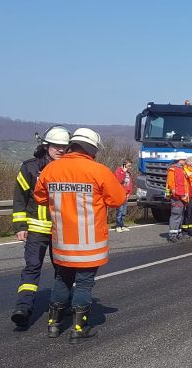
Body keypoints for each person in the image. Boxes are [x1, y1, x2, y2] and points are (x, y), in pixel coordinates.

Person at [34, 128, 126, 341]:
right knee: (84, 283)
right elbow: (118, 199)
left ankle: (53, 325)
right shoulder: (99, 170)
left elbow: (39, 197)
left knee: (62, 279)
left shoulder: (51, 169)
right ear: (92, 149)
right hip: (89, 241)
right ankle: (78, 328)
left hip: (62, 240)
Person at [10, 126, 70, 329]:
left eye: (64, 146)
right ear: (46, 146)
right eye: (56, 146)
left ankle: (62, 304)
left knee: (62, 270)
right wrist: (20, 225)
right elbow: (20, 199)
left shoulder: (70, 168)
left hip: (62, 230)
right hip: (36, 229)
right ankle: (23, 308)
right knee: (32, 267)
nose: (60, 150)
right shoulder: (30, 168)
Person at [165, 152, 189, 242]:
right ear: (180, 160)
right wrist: (180, 195)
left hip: (181, 197)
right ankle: (172, 235)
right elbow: (172, 185)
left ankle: (178, 233)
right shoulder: (174, 170)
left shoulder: (181, 169)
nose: (185, 161)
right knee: (176, 215)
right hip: (177, 197)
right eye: (184, 160)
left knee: (180, 216)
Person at [114, 159, 134, 232]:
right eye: (128, 166)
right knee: (119, 211)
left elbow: (130, 184)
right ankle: (118, 226)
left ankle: (122, 225)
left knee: (124, 212)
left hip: (126, 195)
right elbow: (119, 180)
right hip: (119, 194)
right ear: (124, 165)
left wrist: (129, 193)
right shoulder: (118, 171)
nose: (130, 167)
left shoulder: (129, 173)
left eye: (130, 166)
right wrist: (123, 172)